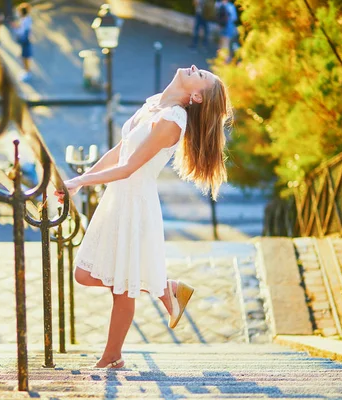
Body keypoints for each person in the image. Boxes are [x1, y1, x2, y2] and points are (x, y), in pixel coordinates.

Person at [56, 65, 231, 368]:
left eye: (200, 76)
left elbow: (128, 167)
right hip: (118, 198)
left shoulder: (173, 120)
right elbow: (120, 151)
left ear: (197, 97)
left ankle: (112, 357)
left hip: (135, 203)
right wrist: (82, 179)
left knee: (122, 285)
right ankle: (167, 289)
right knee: (87, 275)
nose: (194, 68)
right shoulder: (155, 104)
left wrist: (79, 182)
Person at [13, 3, 33, 81]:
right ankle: (26, 71)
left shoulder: (26, 20)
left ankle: (27, 72)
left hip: (25, 41)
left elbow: (23, 31)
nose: (18, 13)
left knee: (25, 57)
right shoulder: (25, 19)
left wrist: (16, 28)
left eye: (19, 11)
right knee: (24, 56)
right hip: (25, 40)